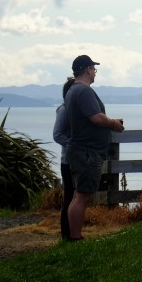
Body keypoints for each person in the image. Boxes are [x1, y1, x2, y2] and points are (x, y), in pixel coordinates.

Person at [64, 55, 125, 240]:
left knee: (78, 195)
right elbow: (96, 117)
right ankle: (75, 237)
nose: (94, 73)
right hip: (87, 151)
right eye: (93, 69)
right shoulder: (84, 91)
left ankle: (73, 236)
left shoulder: (73, 91)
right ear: (88, 69)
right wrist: (114, 123)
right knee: (82, 196)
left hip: (81, 150)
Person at [52, 76, 76, 241]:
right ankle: (67, 234)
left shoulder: (76, 110)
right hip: (68, 161)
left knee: (77, 197)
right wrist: (74, 144)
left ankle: (73, 232)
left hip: (79, 160)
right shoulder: (64, 110)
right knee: (69, 197)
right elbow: (57, 134)